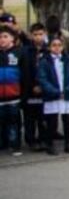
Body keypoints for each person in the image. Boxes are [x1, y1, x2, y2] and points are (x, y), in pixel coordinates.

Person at [37, 35, 69, 155]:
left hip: (66, 93)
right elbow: (42, 78)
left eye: (59, 45)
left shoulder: (68, 59)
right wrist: (54, 91)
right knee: (52, 120)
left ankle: (68, 143)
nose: (57, 48)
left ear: (63, 46)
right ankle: (50, 144)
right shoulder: (44, 61)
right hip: (53, 94)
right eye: (54, 45)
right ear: (49, 47)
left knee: (66, 119)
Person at [0, 25, 25, 156]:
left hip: (14, 96)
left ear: (13, 39)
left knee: (14, 122)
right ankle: (2, 144)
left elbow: (24, 74)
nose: (2, 39)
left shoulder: (19, 52)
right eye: (0, 37)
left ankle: (15, 145)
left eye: (5, 36)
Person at [22, 23, 48, 150]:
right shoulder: (25, 51)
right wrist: (31, 86)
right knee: (29, 118)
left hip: (44, 90)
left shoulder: (48, 50)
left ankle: (43, 139)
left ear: (45, 34)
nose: (38, 37)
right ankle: (31, 140)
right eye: (35, 35)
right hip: (29, 90)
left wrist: (43, 86)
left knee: (43, 116)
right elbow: (25, 72)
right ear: (31, 36)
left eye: (41, 34)